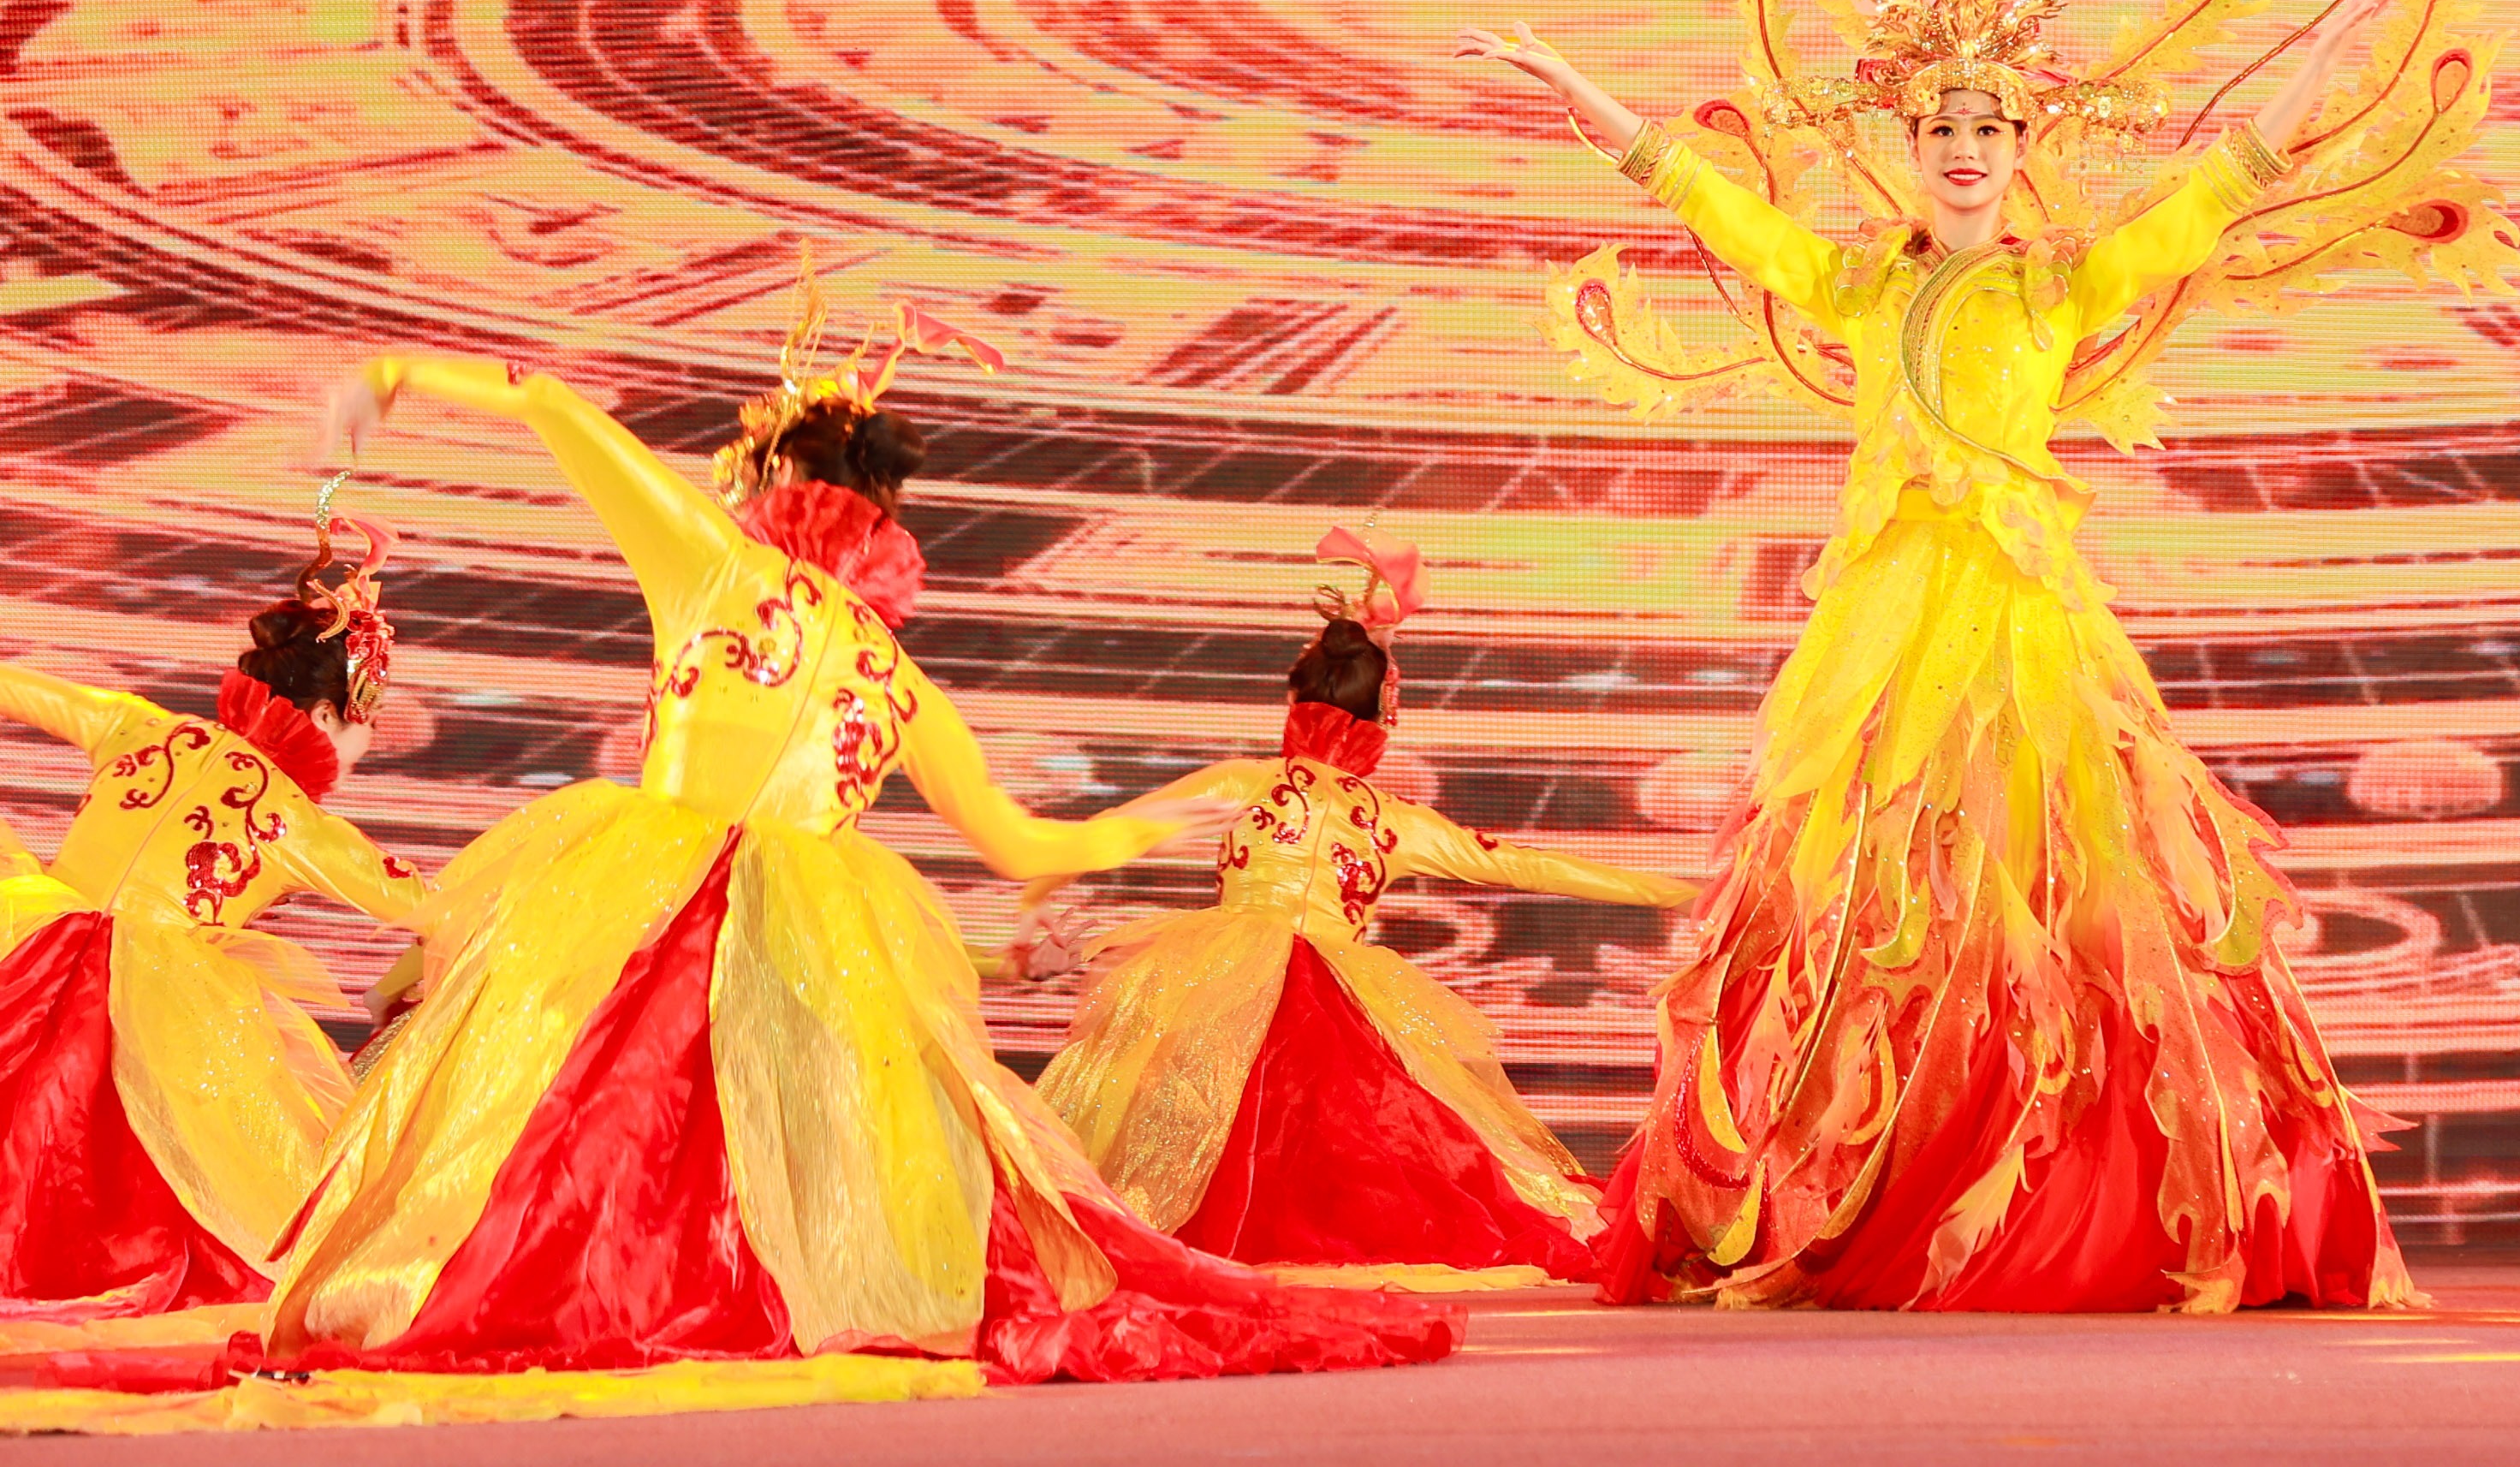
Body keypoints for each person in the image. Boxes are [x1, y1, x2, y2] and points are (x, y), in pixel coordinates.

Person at [1462, 0, 2516, 1312]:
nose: (1964, 145)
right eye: (1941, 122)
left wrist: (2330, 53)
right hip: (1886, 618)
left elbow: (2225, 184)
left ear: (2026, 145)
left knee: (2060, 884)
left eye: (1992, 123)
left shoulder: (2061, 283)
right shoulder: (1859, 282)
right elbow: (1706, 200)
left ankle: (2065, 1182)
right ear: (1905, 139)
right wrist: (1575, 88)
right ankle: (1866, 1169)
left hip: (2021, 612)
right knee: (1869, 892)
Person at [264, 288, 1459, 1385]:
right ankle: (777, 1290)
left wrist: (394, 373)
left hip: (647, 886)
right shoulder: (896, 676)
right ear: (883, 523)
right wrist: (1150, 821)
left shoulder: (712, 564)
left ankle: (614, 1291)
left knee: (589, 1111)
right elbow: (1023, 847)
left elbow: (550, 401)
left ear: (774, 482)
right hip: (811, 922)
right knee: (798, 1133)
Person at [1037, 532, 1696, 1281]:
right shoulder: (1391, 821)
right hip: (1333, 995)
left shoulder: (1241, 783)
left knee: (1171, 1123)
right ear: (1384, 720)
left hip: (1213, 978)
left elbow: (1100, 836)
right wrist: (1675, 889)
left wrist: (1038, 903)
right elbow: (1528, 865)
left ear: (1295, 701)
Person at [0, 513, 430, 1306]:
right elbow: (432, 909)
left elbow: (14, 685)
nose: (364, 747)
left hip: (28, 939)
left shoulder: (138, 725)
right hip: (160, 1003)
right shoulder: (297, 824)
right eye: (366, 724)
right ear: (328, 717)